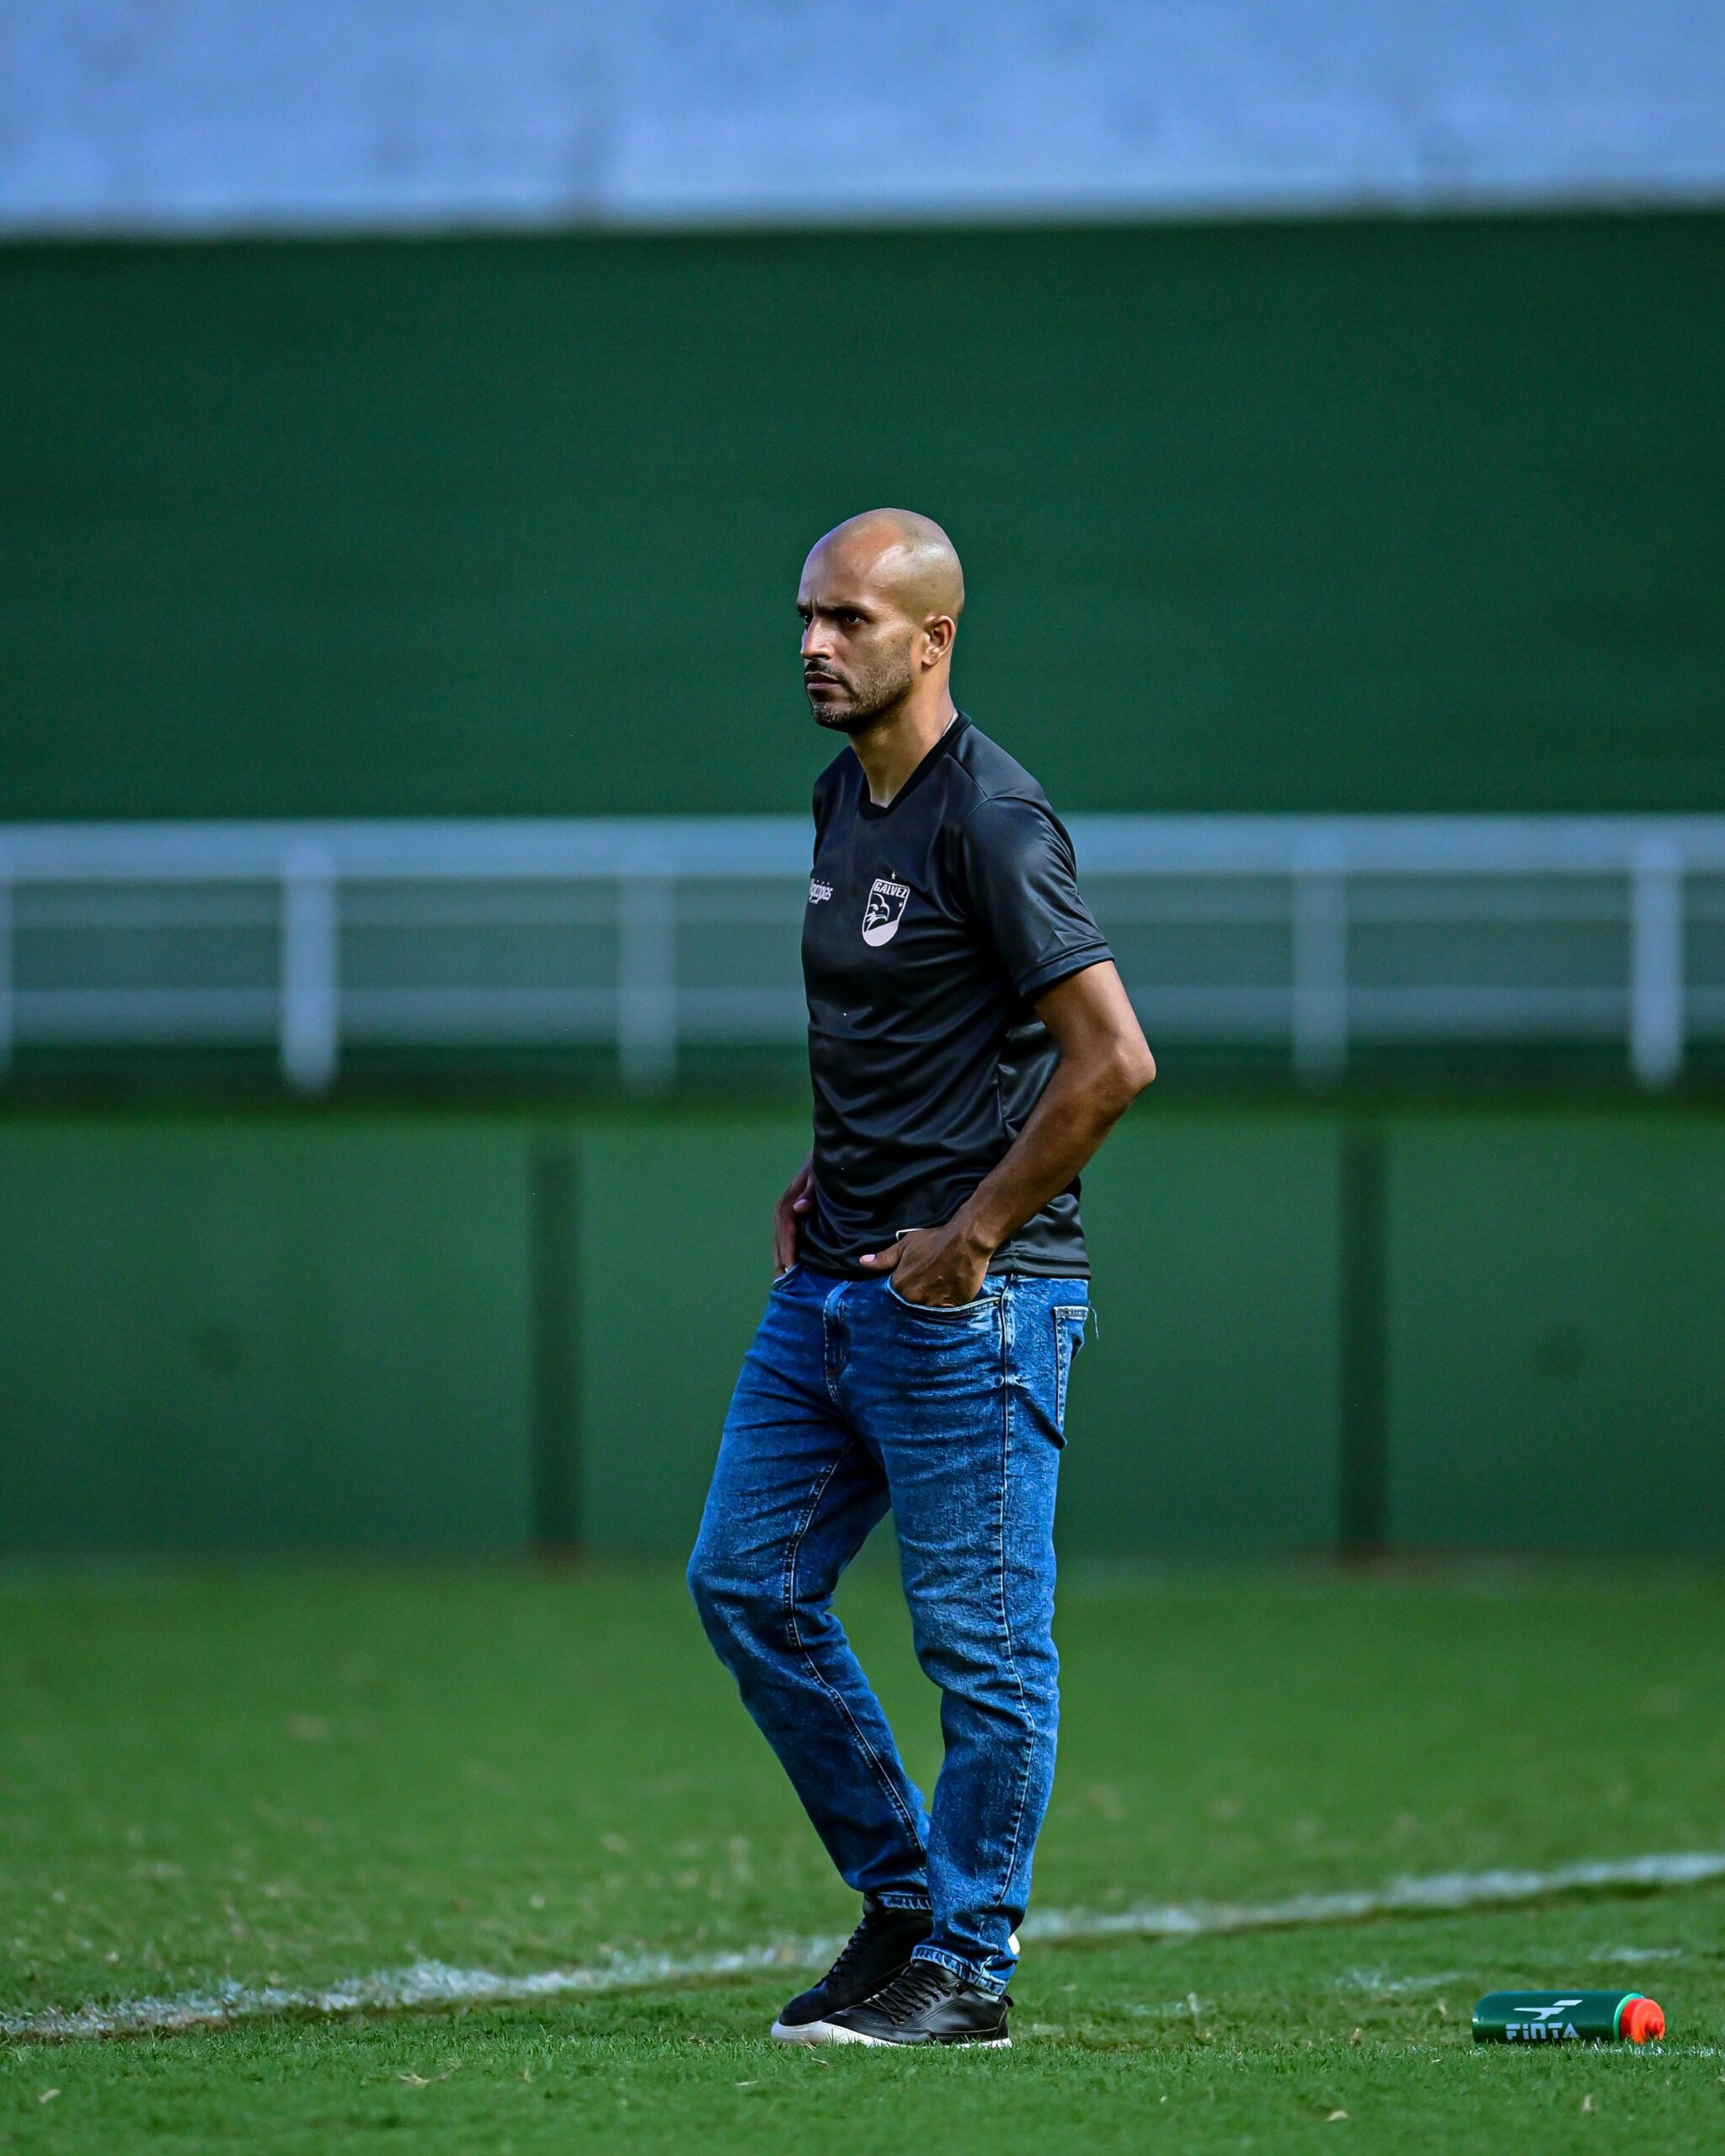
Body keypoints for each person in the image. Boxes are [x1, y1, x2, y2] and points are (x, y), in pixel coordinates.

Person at [687, 509, 1156, 2047]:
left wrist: (971, 1237)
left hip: (974, 1304)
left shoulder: (994, 821)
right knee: (745, 1583)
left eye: (850, 621)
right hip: (830, 1284)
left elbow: (1111, 1064)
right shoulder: (842, 796)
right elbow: (900, 1031)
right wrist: (830, 1171)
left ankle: (971, 1971)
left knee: (982, 1644)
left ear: (933, 636)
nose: (815, 645)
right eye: (806, 618)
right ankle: (902, 1907)